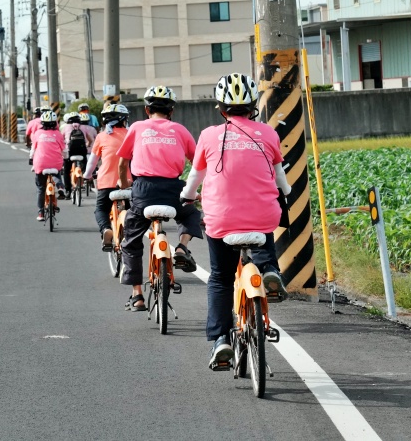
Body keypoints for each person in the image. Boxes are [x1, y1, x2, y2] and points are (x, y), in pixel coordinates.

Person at [181, 72, 291, 370]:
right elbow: (282, 180)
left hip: (221, 220)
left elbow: (195, 178)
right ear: (253, 105)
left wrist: (188, 197)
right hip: (261, 217)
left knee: (220, 277)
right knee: (265, 226)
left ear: (221, 107)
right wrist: (287, 192)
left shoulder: (208, 135)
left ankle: (221, 341)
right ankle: (269, 270)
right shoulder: (268, 133)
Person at [116, 85, 203, 312]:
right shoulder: (181, 130)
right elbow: (198, 165)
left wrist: (125, 186)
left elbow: (122, 163)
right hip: (173, 188)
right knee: (191, 212)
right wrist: (196, 191)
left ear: (147, 110)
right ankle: (182, 248)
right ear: (171, 111)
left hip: (143, 189)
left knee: (131, 239)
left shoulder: (136, 128)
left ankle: (137, 296)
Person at [84, 103, 131, 250]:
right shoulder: (131, 135)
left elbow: (92, 162)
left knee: (101, 209)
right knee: (132, 212)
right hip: (128, 182)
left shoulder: (101, 136)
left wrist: (87, 175)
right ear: (124, 120)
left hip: (106, 183)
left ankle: (106, 229)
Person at [29, 110, 65, 221]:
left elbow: (33, 149)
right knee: (56, 172)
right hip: (55, 163)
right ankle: (60, 186)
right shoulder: (58, 134)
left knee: (41, 188)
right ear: (55, 122)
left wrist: (31, 159)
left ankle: (41, 213)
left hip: (40, 164)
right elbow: (64, 150)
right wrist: (65, 158)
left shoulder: (37, 134)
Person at [61, 111, 96, 194]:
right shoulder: (83, 127)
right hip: (81, 151)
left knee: (66, 170)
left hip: (69, 151)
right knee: (85, 164)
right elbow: (90, 140)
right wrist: (87, 145)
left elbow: (61, 139)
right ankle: (84, 177)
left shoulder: (65, 127)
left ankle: (68, 190)